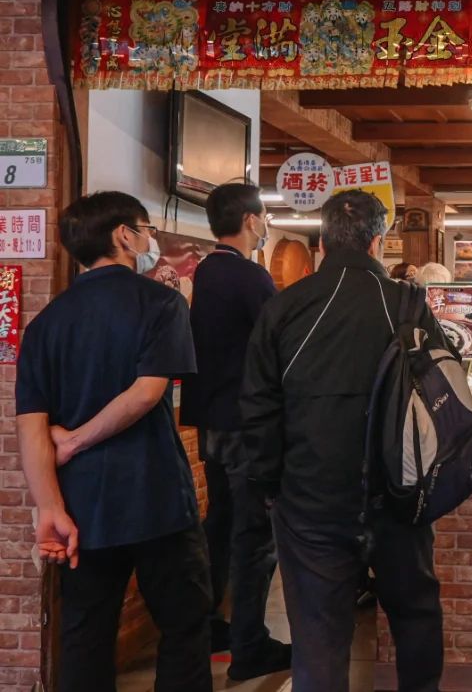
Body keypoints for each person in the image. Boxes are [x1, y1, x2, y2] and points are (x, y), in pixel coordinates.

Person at [241, 190, 448, 692]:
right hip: (399, 496)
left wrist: (272, 486)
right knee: (415, 617)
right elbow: (444, 393)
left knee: (318, 636)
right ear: (378, 242)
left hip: (310, 501)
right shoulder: (408, 304)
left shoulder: (284, 307)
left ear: (323, 244)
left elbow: (257, 409)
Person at [15, 191, 211, 692]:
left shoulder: (45, 325)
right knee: (185, 627)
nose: (149, 240)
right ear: (124, 234)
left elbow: (31, 428)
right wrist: (79, 441)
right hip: (157, 497)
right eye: (145, 229)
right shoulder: (162, 302)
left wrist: (50, 510)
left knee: (85, 634)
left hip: (82, 507)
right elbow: (147, 394)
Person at [178, 183, 289, 678]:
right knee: (255, 536)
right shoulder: (249, 276)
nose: (266, 223)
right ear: (249, 220)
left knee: (220, 524)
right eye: (264, 215)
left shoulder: (205, 271)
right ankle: (249, 645)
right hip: (247, 425)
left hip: (211, 420)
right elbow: (279, 346)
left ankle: (210, 624)